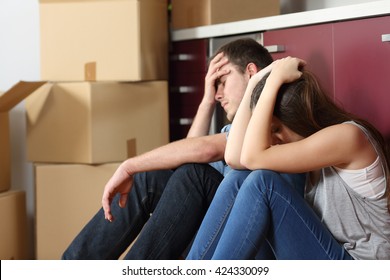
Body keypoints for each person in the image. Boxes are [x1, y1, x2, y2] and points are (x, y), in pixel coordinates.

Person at [62, 38, 276, 260]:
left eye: (222, 81)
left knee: (193, 175)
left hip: (249, 238)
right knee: (151, 178)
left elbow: (204, 152)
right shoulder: (235, 126)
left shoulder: (268, 120)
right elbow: (189, 157)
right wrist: (206, 102)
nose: (217, 93)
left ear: (251, 72)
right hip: (220, 224)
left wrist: (129, 166)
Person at [187, 57, 390, 260]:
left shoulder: (349, 137)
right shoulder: (310, 149)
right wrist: (255, 83)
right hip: (324, 255)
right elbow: (235, 158)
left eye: (275, 129)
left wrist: (273, 82)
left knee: (262, 183)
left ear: (299, 117)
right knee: (238, 179)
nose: (272, 140)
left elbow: (250, 157)